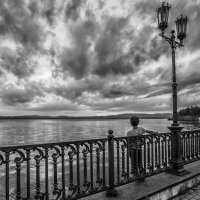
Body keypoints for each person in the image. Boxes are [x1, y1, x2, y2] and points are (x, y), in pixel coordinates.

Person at [127, 116, 157, 180]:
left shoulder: (129, 133)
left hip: (133, 150)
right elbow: (148, 131)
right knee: (140, 162)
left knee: (134, 164)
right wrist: (154, 132)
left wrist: (128, 153)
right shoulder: (141, 129)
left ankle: (136, 176)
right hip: (139, 149)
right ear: (138, 122)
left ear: (131, 123)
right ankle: (142, 175)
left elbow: (128, 144)